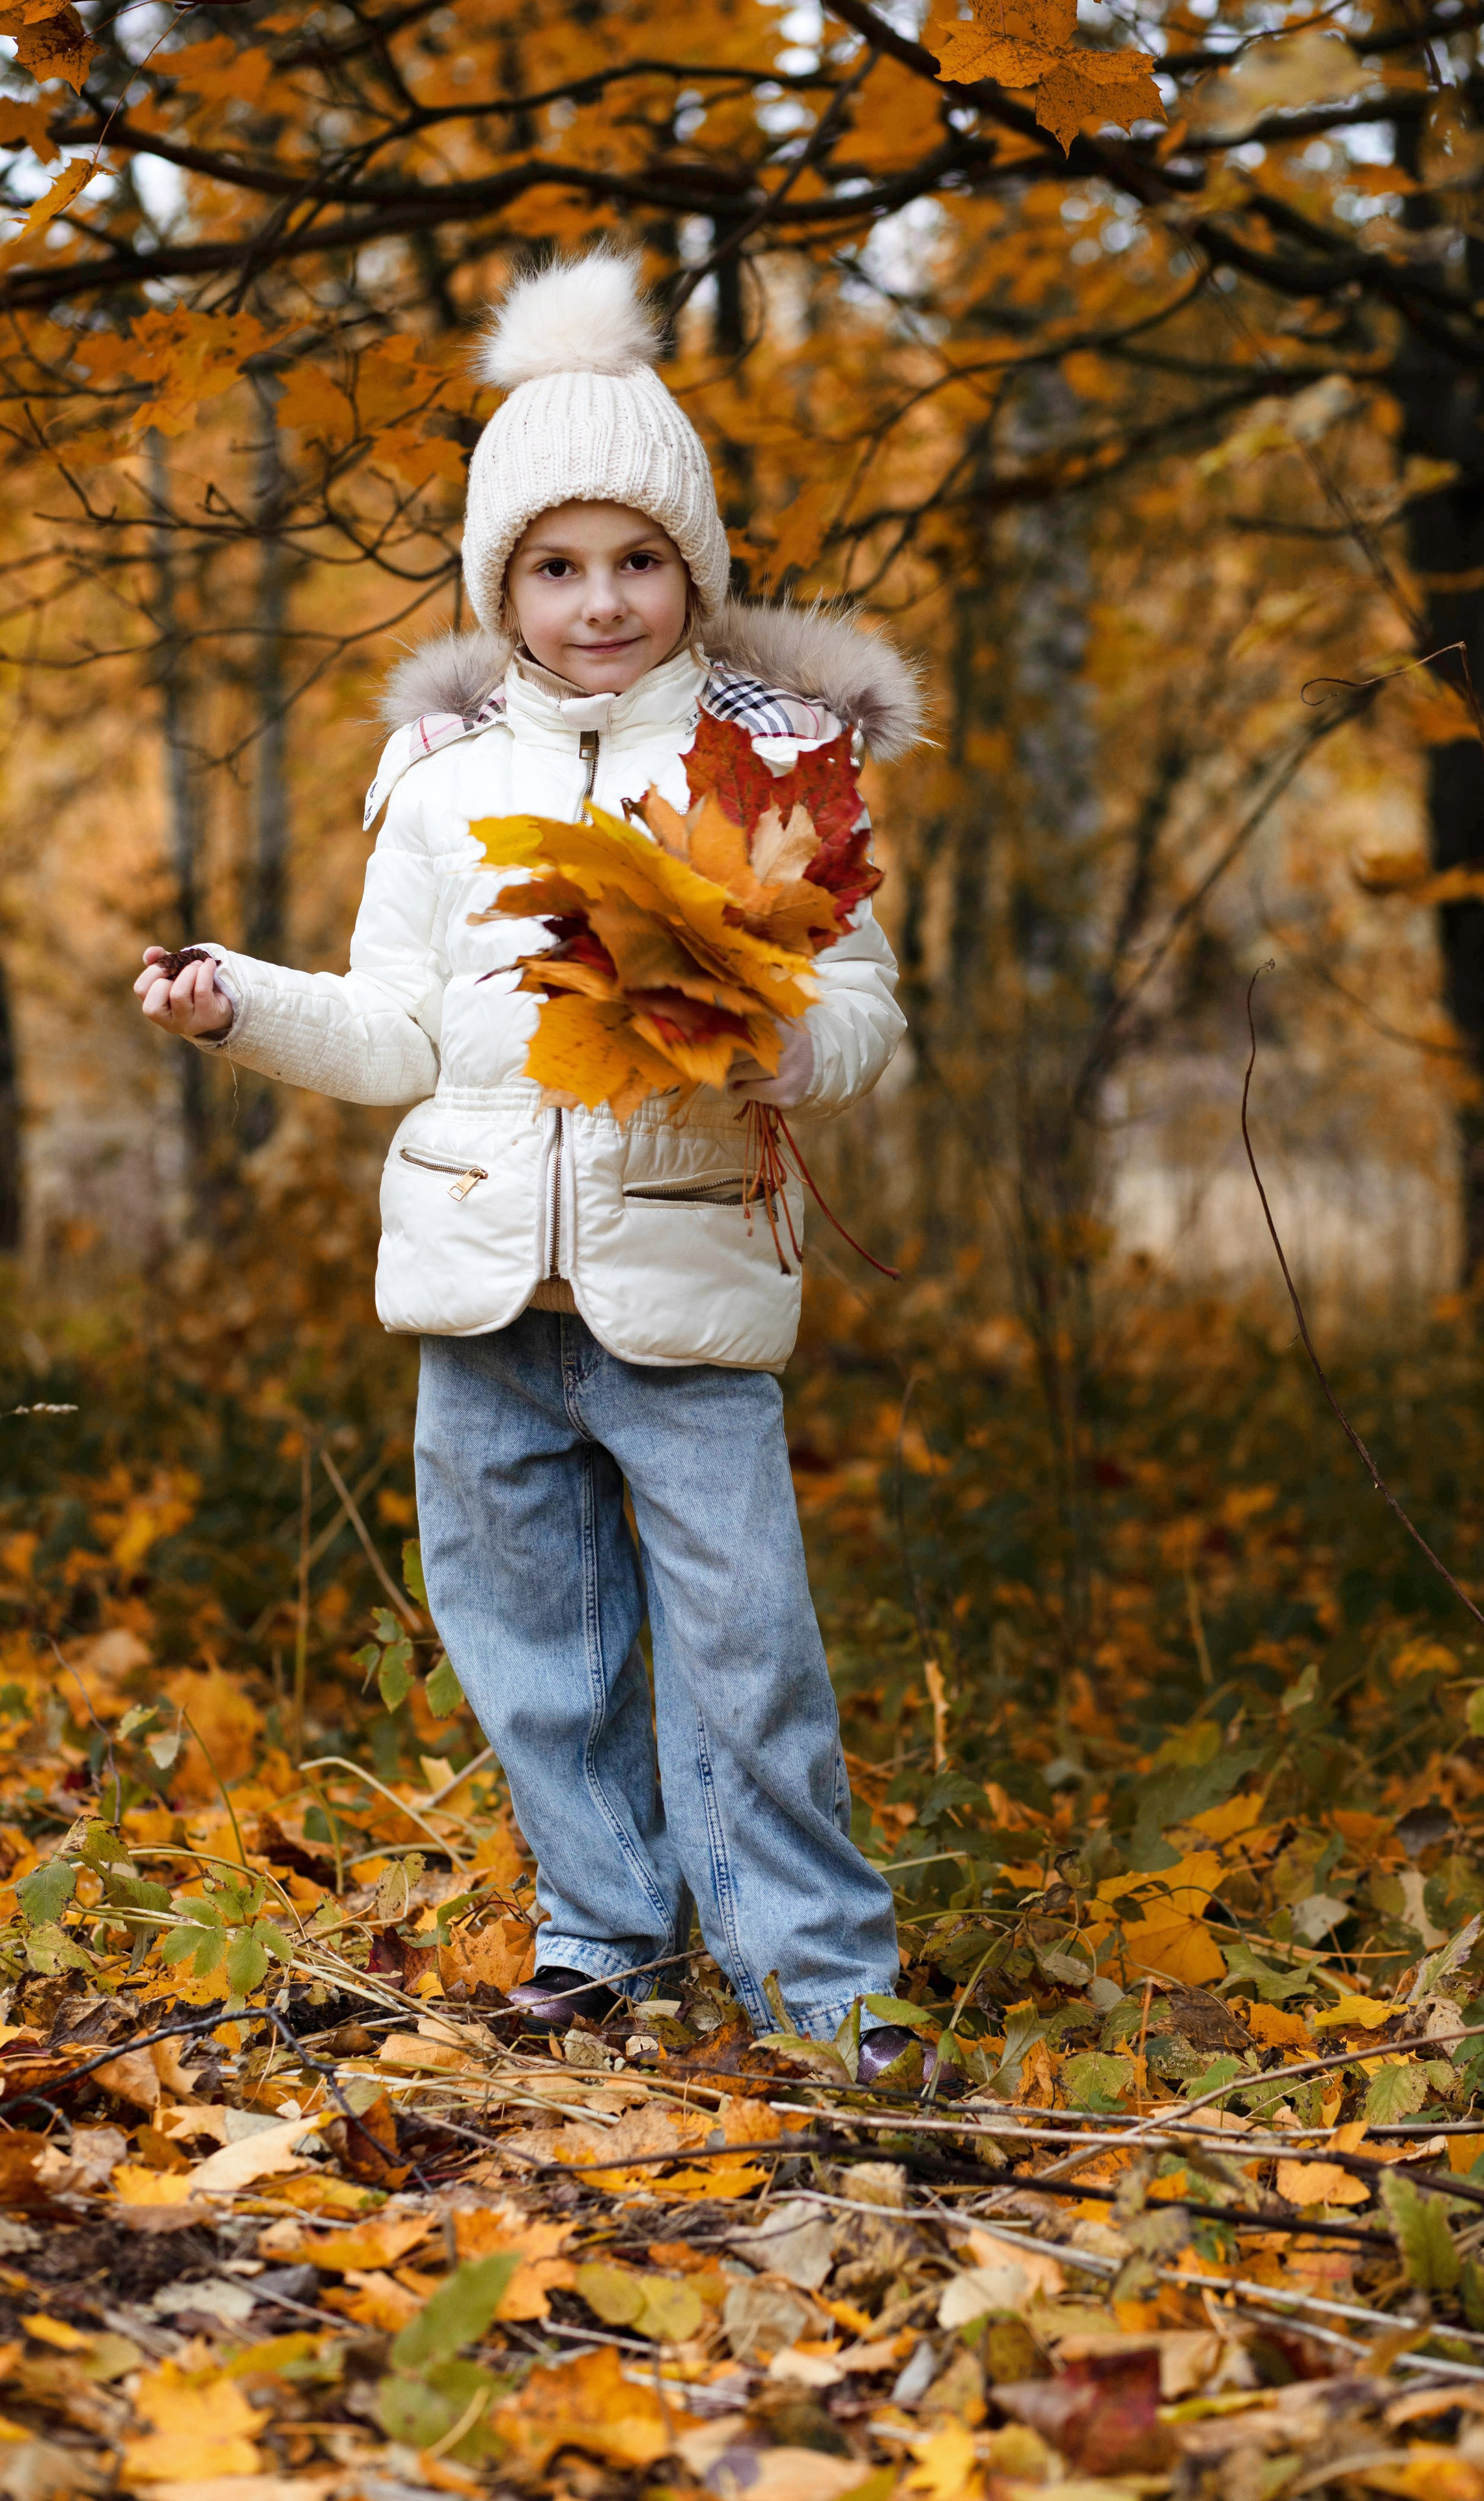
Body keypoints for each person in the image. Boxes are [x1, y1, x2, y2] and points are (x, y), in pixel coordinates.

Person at [134, 250, 929, 2077]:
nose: (599, 603)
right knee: (531, 1646)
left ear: (694, 571)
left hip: (682, 1282)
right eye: (556, 568)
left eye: (637, 563)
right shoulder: (435, 783)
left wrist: (782, 1034)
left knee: (748, 1659)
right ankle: (604, 1930)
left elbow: (871, 1020)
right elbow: (397, 1031)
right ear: (503, 585)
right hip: (484, 1282)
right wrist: (236, 1006)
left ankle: (819, 1980)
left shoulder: (773, 766)